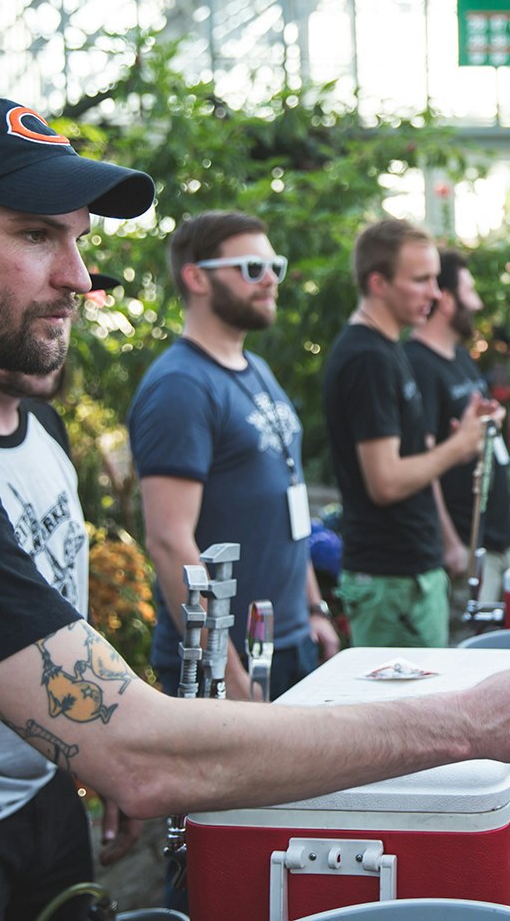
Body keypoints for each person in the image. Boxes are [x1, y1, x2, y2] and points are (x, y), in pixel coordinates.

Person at [0, 96, 510, 921]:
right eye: (37, 235)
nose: (78, 274)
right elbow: (136, 750)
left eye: (77, 237)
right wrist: (477, 719)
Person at [129, 211, 341, 704]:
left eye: (275, 267)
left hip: (287, 642)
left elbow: (288, 498)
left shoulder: (257, 369)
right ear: (196, 276)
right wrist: (229, 675)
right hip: (226, 662)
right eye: (250, 268)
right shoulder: (181, 387)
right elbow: (168, 540)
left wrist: (314, 610)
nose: (269, 280)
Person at [0, 364, 97, 921]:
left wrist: (93, 756)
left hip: (53, 781)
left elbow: (68, 594)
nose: (64, 301)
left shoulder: (45, 423)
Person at [323, 218, 503, 647]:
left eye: (436, 280)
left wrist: (458, 445)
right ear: (378, 282)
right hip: (391, 582)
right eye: (421, 280)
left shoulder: (388, 348)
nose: (436, 293)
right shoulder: (367, 357)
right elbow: (385, 481)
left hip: (410, 576)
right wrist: (459, 445)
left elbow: (412, 454)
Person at [405, 249, 510, 643]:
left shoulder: (460, 356)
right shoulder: (417, 363)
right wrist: (451, 543)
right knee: (469, 654)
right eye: (469, 291)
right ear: (446, 299)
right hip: (465, 547)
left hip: (494, 540)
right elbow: (422, 459)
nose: (478, 303)